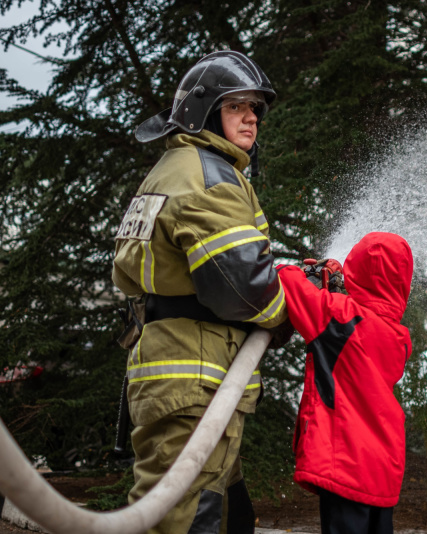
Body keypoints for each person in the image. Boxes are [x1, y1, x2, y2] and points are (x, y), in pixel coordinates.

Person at [112, 50, 292, 534]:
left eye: (255, 107)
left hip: (184, 373)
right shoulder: (210, 177)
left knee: (228, 513)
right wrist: (290, 308)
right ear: (204, 112)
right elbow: (244, 289)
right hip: (195, 377)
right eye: (237, 106)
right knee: (185, 519)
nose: (252, 116)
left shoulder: (173, 169)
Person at [275, 232, 414, 534]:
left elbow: (286, 279)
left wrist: (309, 273)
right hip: (383, 467)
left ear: (357, 269)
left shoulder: (337, 314)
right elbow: (352, 336)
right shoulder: (399, 338)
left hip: (346, 464)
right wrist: (333, 284)